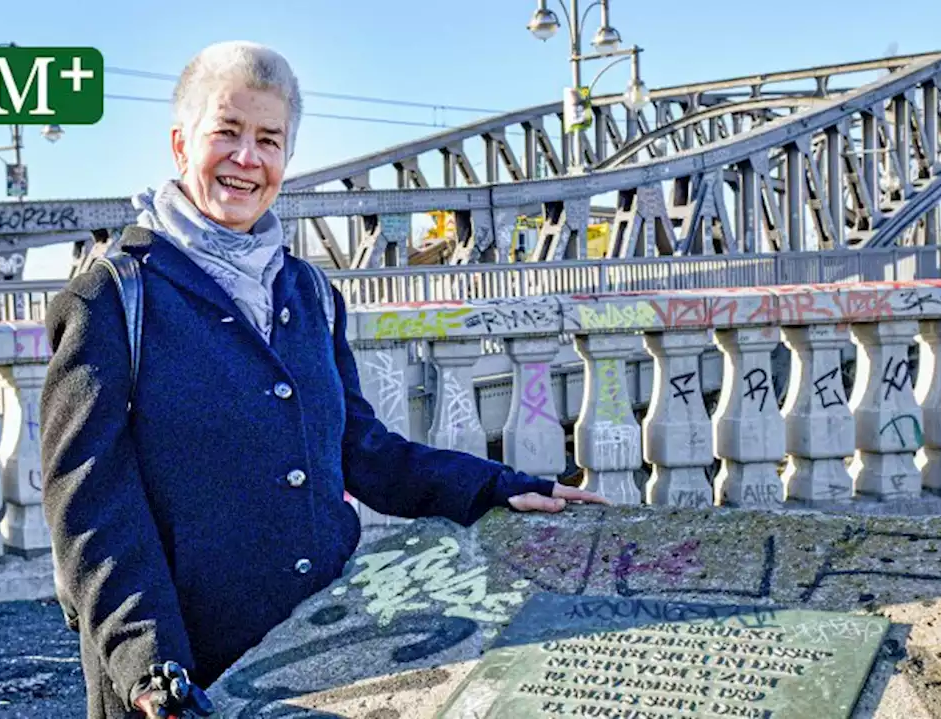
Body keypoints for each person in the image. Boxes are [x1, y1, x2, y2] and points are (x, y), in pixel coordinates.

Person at [39, 40, 607, 719]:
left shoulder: (306, 290)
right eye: (227, 132)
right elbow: (88, 507)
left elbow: (361, 448)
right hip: (188, 681)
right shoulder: (111, 298)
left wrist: (495, 487)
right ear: (180, 143)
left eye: (269, 140)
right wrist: (149, 667)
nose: (247, 159)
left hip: (322, 656)